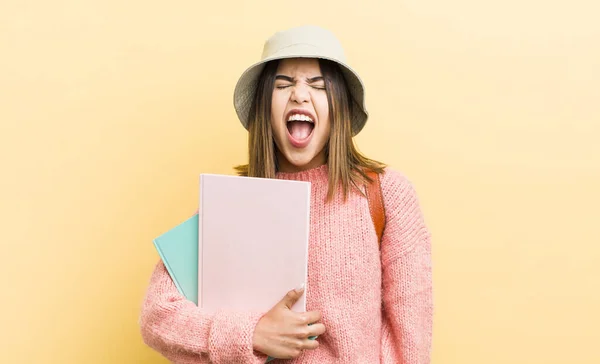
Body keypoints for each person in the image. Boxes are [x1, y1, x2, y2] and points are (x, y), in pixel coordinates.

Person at [139, 25, 433, 364]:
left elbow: (410, 345)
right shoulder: (230, 204)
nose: (299, 95)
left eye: (318, 85)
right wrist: (252, 334)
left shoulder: (386, 195)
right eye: (283, 84)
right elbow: (156, 317)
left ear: (338, 106)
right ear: (265, 106)